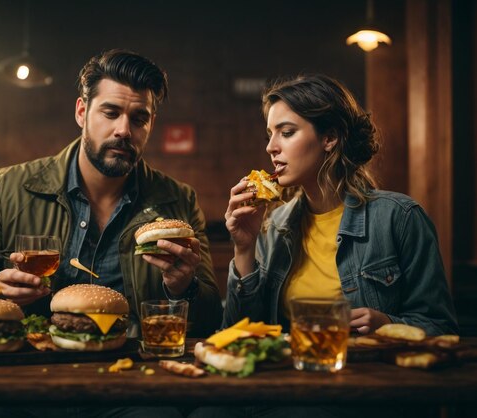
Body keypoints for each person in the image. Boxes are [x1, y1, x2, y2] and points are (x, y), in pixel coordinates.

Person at [0, 49, 223, 418]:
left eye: (139, 118)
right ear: (82, 112)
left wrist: (183, 287)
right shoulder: (7, 187)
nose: (124, 131)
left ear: (151, 124)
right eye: (110, 112)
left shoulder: (178, 200)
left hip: (130, 384)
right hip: (22, 378)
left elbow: (210, 318)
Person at [191, 74, 458, 418]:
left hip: (362, 392)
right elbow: (240, 336)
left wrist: (385, 324)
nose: (271, 147)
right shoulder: (276, 224)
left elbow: (441, 327)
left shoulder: (400, 218)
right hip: (285, 386)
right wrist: (244, 247)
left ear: (329, 138)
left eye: (286, 133)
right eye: (270, 134)